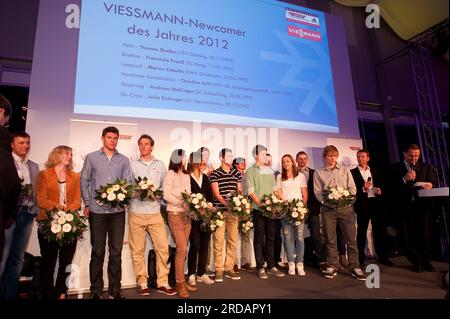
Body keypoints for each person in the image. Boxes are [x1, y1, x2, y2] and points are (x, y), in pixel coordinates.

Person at [80, 126, 132, 299]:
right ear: (103, 138)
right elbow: (84, 180)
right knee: (98, 251)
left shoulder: (124, 160)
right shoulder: (92, 158)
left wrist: (122, 200)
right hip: (97, 212)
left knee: (116, 252)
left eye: (115, 138)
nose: (112, 140)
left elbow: (128, 184)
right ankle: (96, 290)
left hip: (117, 212)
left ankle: (115, 289)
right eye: (109, 137)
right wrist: (87, 202)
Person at [128, 134, 176, 296]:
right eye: (140, 144)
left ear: (151, 147)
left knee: (163, 248)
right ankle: (142, 282)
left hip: (155, 212)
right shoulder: (131, 164)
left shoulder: (160, 165)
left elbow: (164, 189)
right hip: (136, 212)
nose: (143, 147)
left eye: (146, 144)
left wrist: (156, 194)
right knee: (137, 250)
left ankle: (162, 282)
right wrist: (138, 192)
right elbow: (127, 188)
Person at [35, 145, 81, 299]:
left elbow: (77, 200)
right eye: (66, 154)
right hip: (48, 223)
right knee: (48, 261)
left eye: (71, 154)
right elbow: (41, 200)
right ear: (56, 155)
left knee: (66, 260)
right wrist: (59, 208)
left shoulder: (75, 176)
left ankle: (62, 291)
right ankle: (47, 292)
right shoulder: (44, 175)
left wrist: (67, 211)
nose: (69, 156)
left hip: (69, 223)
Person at [313, 145, 365, 280]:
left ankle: (355, 266)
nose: (332, 158)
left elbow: (352, 189)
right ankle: (332, 265)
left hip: (345, 209)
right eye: (329, 156)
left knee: (351, 239)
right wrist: (327, 202)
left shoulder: (344, 170)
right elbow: (318, 192)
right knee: (330, 239)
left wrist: (347, 202)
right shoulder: (318, 172)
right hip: (328, 210)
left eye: (334, 156)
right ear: (324, 157)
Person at [0, 132, 39, 299]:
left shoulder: (34, 166)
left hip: (27, 215)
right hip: (9, 216)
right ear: (12, 144)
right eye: (21, 142)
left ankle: (10, 294)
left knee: (17, 258)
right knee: (3, 257)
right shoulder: (5, 163)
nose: (25, 146)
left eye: (28, 142)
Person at [388, 144, 437, 272]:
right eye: (411, 155)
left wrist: (429, 184)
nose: (414, 158)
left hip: (422, 208)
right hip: (404, 208)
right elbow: (390, 188)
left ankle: (426, 262)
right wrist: (404, 179)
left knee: (424, 236)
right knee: (407, 237)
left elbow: (434, 182)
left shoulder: (426, 167)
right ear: (404, 154)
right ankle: (417, 262)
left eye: (416, 156)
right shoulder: (395, 168)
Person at [246, 145, 285, 279]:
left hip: (271, 210)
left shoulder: (269, 171)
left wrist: (275, 203)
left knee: (271, 237)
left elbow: (274, 189)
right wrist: (262, 206)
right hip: (258, 210)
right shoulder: (250, 170)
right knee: (259, 238)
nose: (265, 156)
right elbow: (251, 192)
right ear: (256, 155)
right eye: (263, 154)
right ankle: (260, 266)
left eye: (266, 154)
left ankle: (271, 265)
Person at [163, 149, 197, 298]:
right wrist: (180, 202)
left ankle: (182, 280)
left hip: (186, 215)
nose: (185, 160)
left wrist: (190, 202)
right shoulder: (170, 174)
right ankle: (179, 283)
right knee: (181, 248)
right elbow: (166, 194)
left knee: (184, 249)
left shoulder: (186, 175)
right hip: (174, 214)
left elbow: (188, 193)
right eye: (183, 158)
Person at [351, 149, 392, 267]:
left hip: (376, 203)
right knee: (362, 232)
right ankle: (361, 258)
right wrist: (363, 188)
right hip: (362, 204)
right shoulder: (352, 172)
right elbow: (352, 190)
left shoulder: (375, 171)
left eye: (363, 157)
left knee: (378, 230)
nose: (360, 159)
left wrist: (379, 190)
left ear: (368, 158)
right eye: (358, 157)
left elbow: (381, 185)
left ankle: (383, 256)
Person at [210, 148, 242, 283]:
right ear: (222, 158)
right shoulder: (215, 174)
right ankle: (218, 269)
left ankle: (229, 268)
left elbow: (239, 190)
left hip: (234, 213)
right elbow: (216, 193)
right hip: (220, 212)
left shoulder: (237, 173)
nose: (231, 158)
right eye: (228, 156)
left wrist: (239, 204)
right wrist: (227, 205)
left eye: (232, 155)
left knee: (232, 240)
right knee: (218, 241)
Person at [187, 151, 215, 286]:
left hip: (205, 218)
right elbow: (186, 197)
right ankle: (191, 273)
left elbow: (210, 196)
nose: (200, 162)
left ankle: (201, 273)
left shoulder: (205, 177)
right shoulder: (187, 177)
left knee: (205, 244)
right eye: (197, 160)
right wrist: (196, 207)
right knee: (195, 245)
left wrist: (208, 205)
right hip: (192, 218)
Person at [277, 154, 308, 276]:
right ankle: (291, 263)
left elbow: (305, 195)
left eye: (288, 161)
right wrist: (283, 205)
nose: (286, 164)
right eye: (283, 162)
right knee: (287, 237)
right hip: (285, 211)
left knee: (299, 237)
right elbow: (279, 194)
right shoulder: (280, 177)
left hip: (298, 211)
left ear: (292, 162)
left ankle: (300, 263)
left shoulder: (300, 176)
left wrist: (301, 209)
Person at [0, 94, 21, 268]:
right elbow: (11, 181)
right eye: (6, 121)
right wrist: (9, 214)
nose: (5, 125)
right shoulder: (2, 137)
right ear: (1, 112)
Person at [296, 151, 326, 271]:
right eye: (300, 159)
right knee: (299, 235)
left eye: (304, 158)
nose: (302, 160)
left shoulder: (315, 173)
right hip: (297, 208)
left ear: (307, 160)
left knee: (315, 235)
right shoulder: (293, 173)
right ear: (296, 160)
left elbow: (319, 190)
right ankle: (301, 259)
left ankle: (320, 260)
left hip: (313, 208)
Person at [233, 157, 253, 272]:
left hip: (247, 208)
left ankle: (245, 261)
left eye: (245, 162)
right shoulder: (233, 175)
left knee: (246, 235)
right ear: (236, 164)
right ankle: (234, 262)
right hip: (235, 208)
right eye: (241, 162)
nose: (244, 164)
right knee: (234, 236)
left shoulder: (248, 176)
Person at [266, 153, 283, 268]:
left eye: (269, 160)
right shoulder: (258, 174)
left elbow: (279, 191)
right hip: (263, 208)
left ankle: (277, 259)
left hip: (276, 210)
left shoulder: (277, 174)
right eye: (265, 160)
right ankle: (267, 260)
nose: (268, 162)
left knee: (277, 235)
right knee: (266, 237)